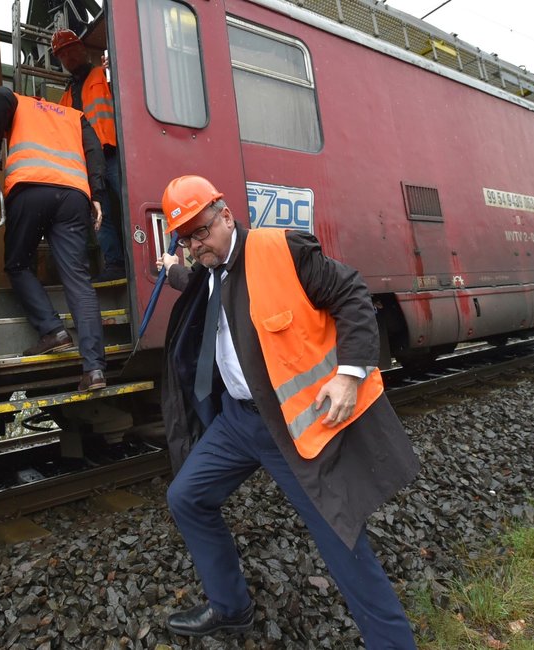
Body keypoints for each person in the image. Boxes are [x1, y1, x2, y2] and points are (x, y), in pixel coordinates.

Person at [155, 175, 420, 647]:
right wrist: (171, 268)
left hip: (294, 426)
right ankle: (230, 607)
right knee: (186, 497)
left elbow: (352, 293)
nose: (196, 244)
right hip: (238, 421)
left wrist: (350, 371)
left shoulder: (280, 249)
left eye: (201, 231)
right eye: (185, 238)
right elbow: (197, 282)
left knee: (341, 540)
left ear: (226, 216)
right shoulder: (207, 268)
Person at [0, 86, 109, 391]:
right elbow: (94, 151)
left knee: (17, 264)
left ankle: (54, 331)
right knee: (78, 280)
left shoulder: (19, 102)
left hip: (30, 188)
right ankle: (94, 370)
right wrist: (96, 194)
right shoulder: (74, 115)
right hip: (73, 195)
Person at [52, 29, 125, 282]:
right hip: (88, 164)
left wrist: (114, 68)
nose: (68, 57)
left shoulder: (103, 74)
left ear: (82, 50)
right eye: (63, 55)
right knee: (100, 214)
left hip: (114, 153)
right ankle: (115, 264)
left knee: (127, 204)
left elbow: (125, 93)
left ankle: (140, 255)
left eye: (71, 50)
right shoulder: (66, 96)